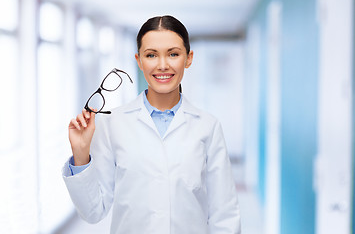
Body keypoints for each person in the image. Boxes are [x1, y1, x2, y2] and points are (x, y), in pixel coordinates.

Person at [62, 15, 241, 234]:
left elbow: (225, 214)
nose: (162, 65)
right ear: (138, 60)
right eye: (151, 55)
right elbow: (93, 211)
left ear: (188, 58)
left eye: (173, 54)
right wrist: (81, 154)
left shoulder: (208, 127)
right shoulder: (112, 124)